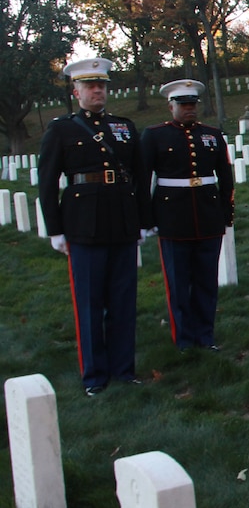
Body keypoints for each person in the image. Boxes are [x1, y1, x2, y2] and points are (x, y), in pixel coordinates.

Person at [38, 57, 153, 396]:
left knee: (122, 301)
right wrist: (55, 230)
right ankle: (94, 376)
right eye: (90, 85)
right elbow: (47, 182)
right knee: (89, 304)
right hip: (82, 226)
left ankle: (123, 368)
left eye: (101, 85)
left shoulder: (124, 126)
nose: (97, 90)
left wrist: (144, 222)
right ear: (77, 92)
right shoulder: (62, 129)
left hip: (121, 223)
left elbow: (141, 176)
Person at [142, 79, 235, 352]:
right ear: (171, 106)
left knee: (206, 281)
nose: (189, 109)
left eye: (192, 104)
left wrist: (226, 214)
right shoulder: (155, 135)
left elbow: (225, 176)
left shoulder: (212, 135)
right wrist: (147, 220)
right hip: (173, 218)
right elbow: (143, 177)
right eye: (183, 104)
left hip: (207, 216)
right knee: (179, 283)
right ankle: (183, 338)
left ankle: (206, 335)